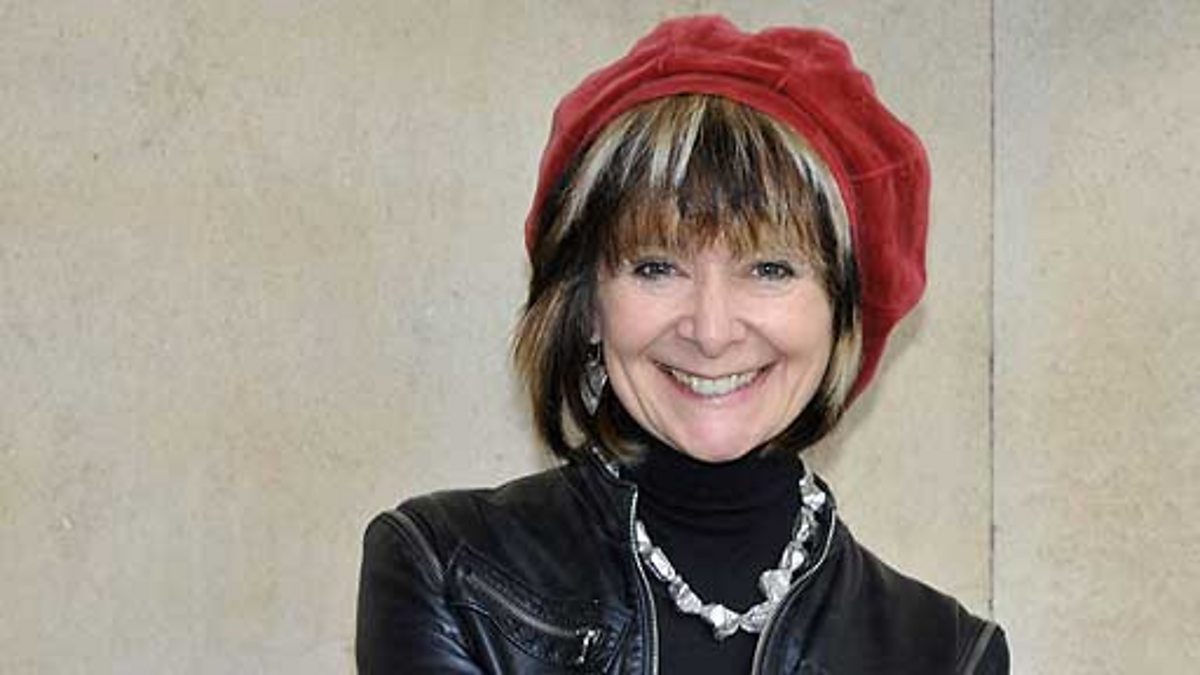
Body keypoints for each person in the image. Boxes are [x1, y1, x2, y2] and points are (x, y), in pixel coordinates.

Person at [356, 15, 1009, 674]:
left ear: (842, 312)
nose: (711, 330)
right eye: (656, 267)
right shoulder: (449, 572)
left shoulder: (947, 652)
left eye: (769, 268)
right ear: (588, 306)